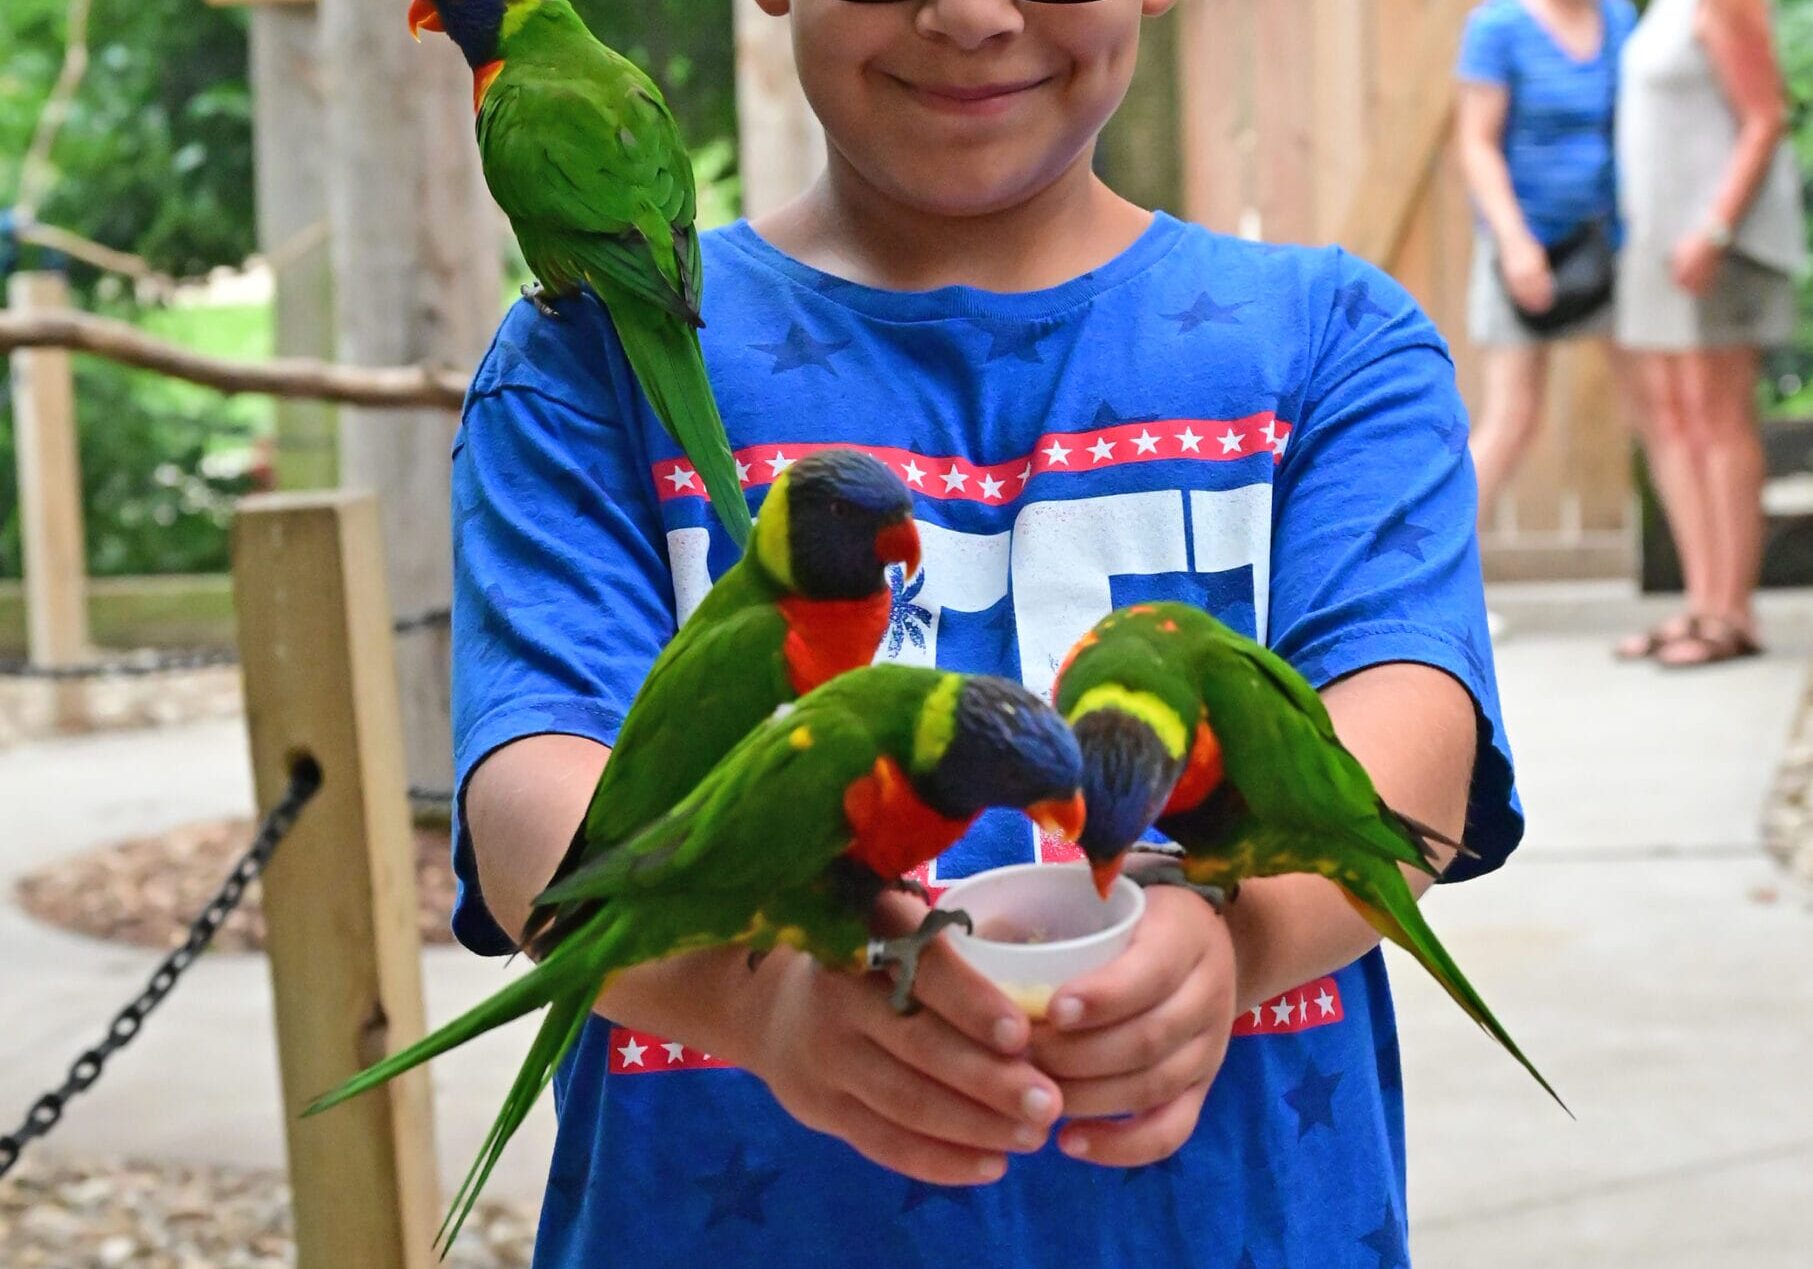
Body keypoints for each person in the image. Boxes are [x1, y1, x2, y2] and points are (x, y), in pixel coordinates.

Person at [452, 2, 1522, 1265]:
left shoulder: (1332, 347)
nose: (968, 12)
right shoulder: (586, 361)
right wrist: (761, 999)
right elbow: (535, 817)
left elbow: (1407, 760)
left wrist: (1240, 938)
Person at [1614, 0, 1806, 666]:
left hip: (1717, 244)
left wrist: (1715, 230)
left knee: (1717, 418)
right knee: (1674, 418)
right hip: (1659, 243)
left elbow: (1764, 119)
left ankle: (1733, 611)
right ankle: (1699, 603)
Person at [1454, 0, 1640, 524]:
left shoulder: (1616, 17)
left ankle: (1709, 597)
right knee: (1513, 417)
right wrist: (1514, 241)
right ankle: (1440, 584)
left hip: (1606, 247)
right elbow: (1476, 143)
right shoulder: (1498, 25)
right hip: (1521, 243)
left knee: (1657, 409)